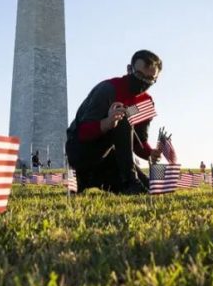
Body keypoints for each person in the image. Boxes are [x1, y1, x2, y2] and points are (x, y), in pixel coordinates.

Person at [65, 50, 163, 195]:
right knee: (121, 118)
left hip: (110, 157)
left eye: (150, 79)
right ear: (129, 69)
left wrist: (151, 153)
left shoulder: (145, 102)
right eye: (140, 75)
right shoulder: (108, 89)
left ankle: (100, 180)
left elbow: (138, 142)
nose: (144, 82)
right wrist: (107, 123)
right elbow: (82, 132)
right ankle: (128, 181)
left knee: (148, 188)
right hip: (82, 151)